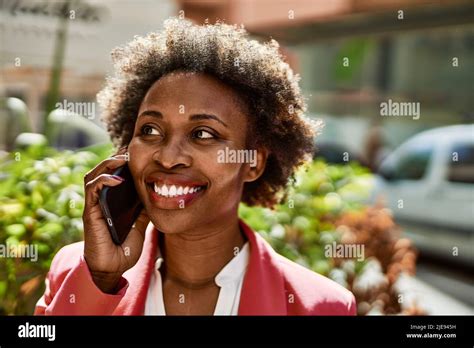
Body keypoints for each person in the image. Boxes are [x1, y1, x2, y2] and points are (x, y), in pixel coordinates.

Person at [35, 19, 356, 315]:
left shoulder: (320, 306)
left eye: (203, 134)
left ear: (253, 163)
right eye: (149, 130)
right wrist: (100, 281)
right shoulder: (77, 273)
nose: (168, 157)